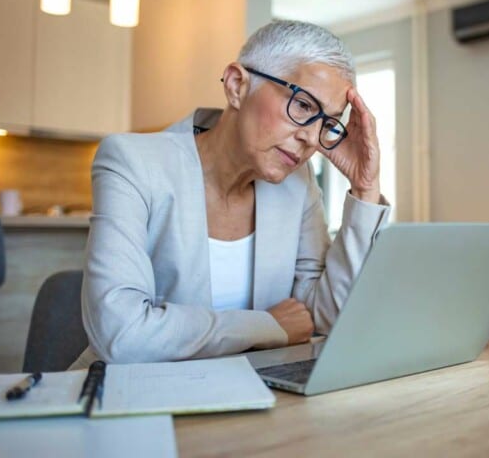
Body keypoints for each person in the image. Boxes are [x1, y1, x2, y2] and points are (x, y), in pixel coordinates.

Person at [70, 20, 390, 368]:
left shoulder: (298, 185)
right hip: (133, 399)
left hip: (254, 397)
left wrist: (365, 188)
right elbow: (120, 334)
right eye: (303, 106)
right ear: (237, 85)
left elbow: (324, 317)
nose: (312, 139)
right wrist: (267, 325)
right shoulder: (133, 162)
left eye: (327, 124)